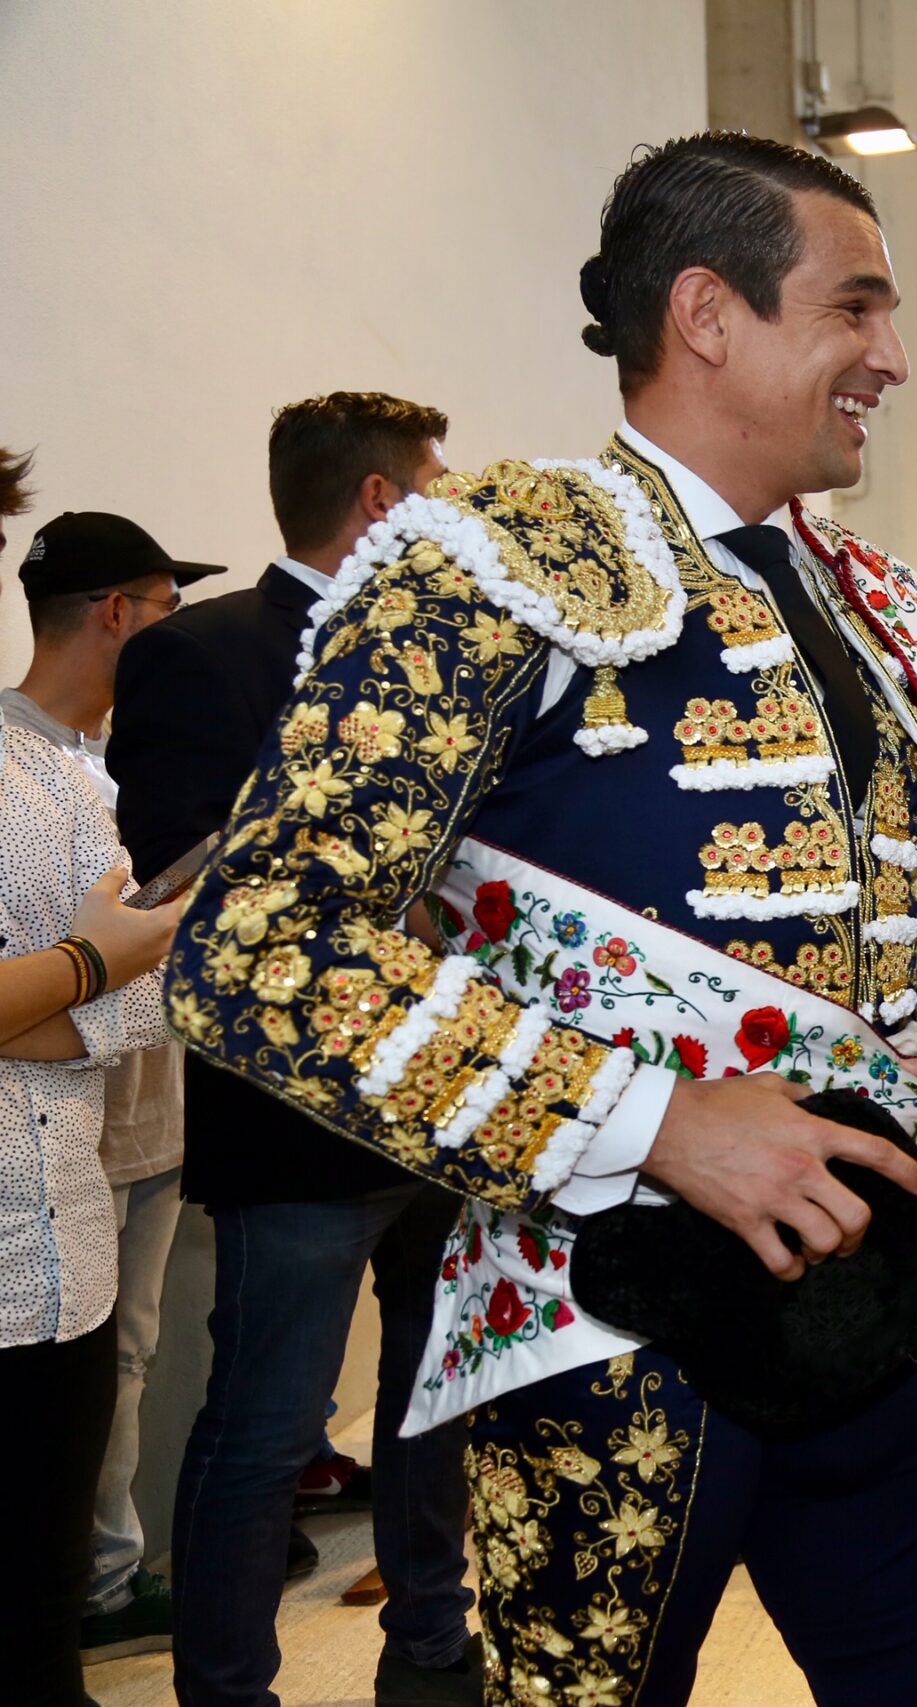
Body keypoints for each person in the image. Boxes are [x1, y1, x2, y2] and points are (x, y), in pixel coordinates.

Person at [165, 132, 917, 1707]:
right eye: (857, 309)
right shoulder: (494, 556)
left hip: (868, 1295)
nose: (893, 358)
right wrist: (656, 1120)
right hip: (598, 1320)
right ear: (708, 313)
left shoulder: (867, 592)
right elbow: (258, 949)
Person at [109, 393, 480, 1707]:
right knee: (268, 1423)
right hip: (295, 1114)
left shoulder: (448, 654)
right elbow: (176, 880)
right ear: (381, 500)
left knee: (437, 1400)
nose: (455, 501)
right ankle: (225, 1683)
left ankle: (433, 1644)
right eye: (439, 479)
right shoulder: (200, 655)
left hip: (447, 1090)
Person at [0, 513, 204, 1671]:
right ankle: (97, 1588)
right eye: (168, 606)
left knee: (117, 1363)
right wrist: (106, 981)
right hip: (56, 1138)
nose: (175, 634)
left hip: (111, 1131)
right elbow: (105, 981)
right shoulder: (17, 764)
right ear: (116, 612)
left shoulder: (116, 762)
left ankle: (95, 1586)